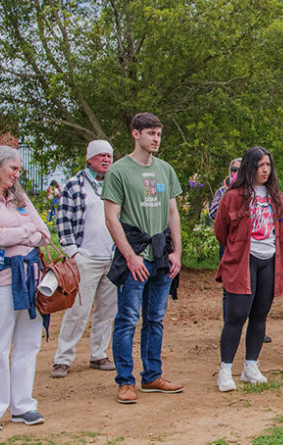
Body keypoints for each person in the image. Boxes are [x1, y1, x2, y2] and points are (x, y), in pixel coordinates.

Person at [102, 112, 185, 404]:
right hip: (134, 256)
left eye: (159, 133)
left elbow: (173, 213)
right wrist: (130, 256)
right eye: (151, 133)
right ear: (135, 134)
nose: (156, 138)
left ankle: (152, 376)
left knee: (155, 318)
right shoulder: (118, 171)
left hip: (161, 254)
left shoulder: (165, 170)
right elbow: (112, 218)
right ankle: (126, 381)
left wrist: (177, 251)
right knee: (127, 318)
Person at [0, 146, 50, 432]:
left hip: (30, 278)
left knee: (28, 344)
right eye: (12, 168)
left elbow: (44, 233)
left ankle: (23, 405)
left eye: (18, 169)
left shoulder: (20, 198)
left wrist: (26, 235)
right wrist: (27, 233)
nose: (17, 174)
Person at [213, 146, 283, 391]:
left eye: (268, 165)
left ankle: (250, 366)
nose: (265, 170)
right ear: (249, 167)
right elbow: (221, 232)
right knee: (236, 315)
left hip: (269, 260)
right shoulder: (233, 196)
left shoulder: (274, 195)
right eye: (259, 165)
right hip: (244, 261)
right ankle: (225, 370)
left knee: (260, 315)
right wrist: (239, 247)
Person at [51, 140, 118, 379]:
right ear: (89, 158)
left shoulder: (115, 183)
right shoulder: (75, 184)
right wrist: (73, 252)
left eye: (109, 156)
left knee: (107, 310)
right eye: (101, 156)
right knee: (78, 310)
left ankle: (99, 354)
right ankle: (63, 357)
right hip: (86, 257)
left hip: (112, 255)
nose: (106, 160)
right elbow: (63, 220)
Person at [208, 158, 241, 222]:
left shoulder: (251, 191)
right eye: (234, 170)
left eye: (241, 170)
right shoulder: (222, 191)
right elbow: (212, 214)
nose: (237, 173)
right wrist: (227, 194)